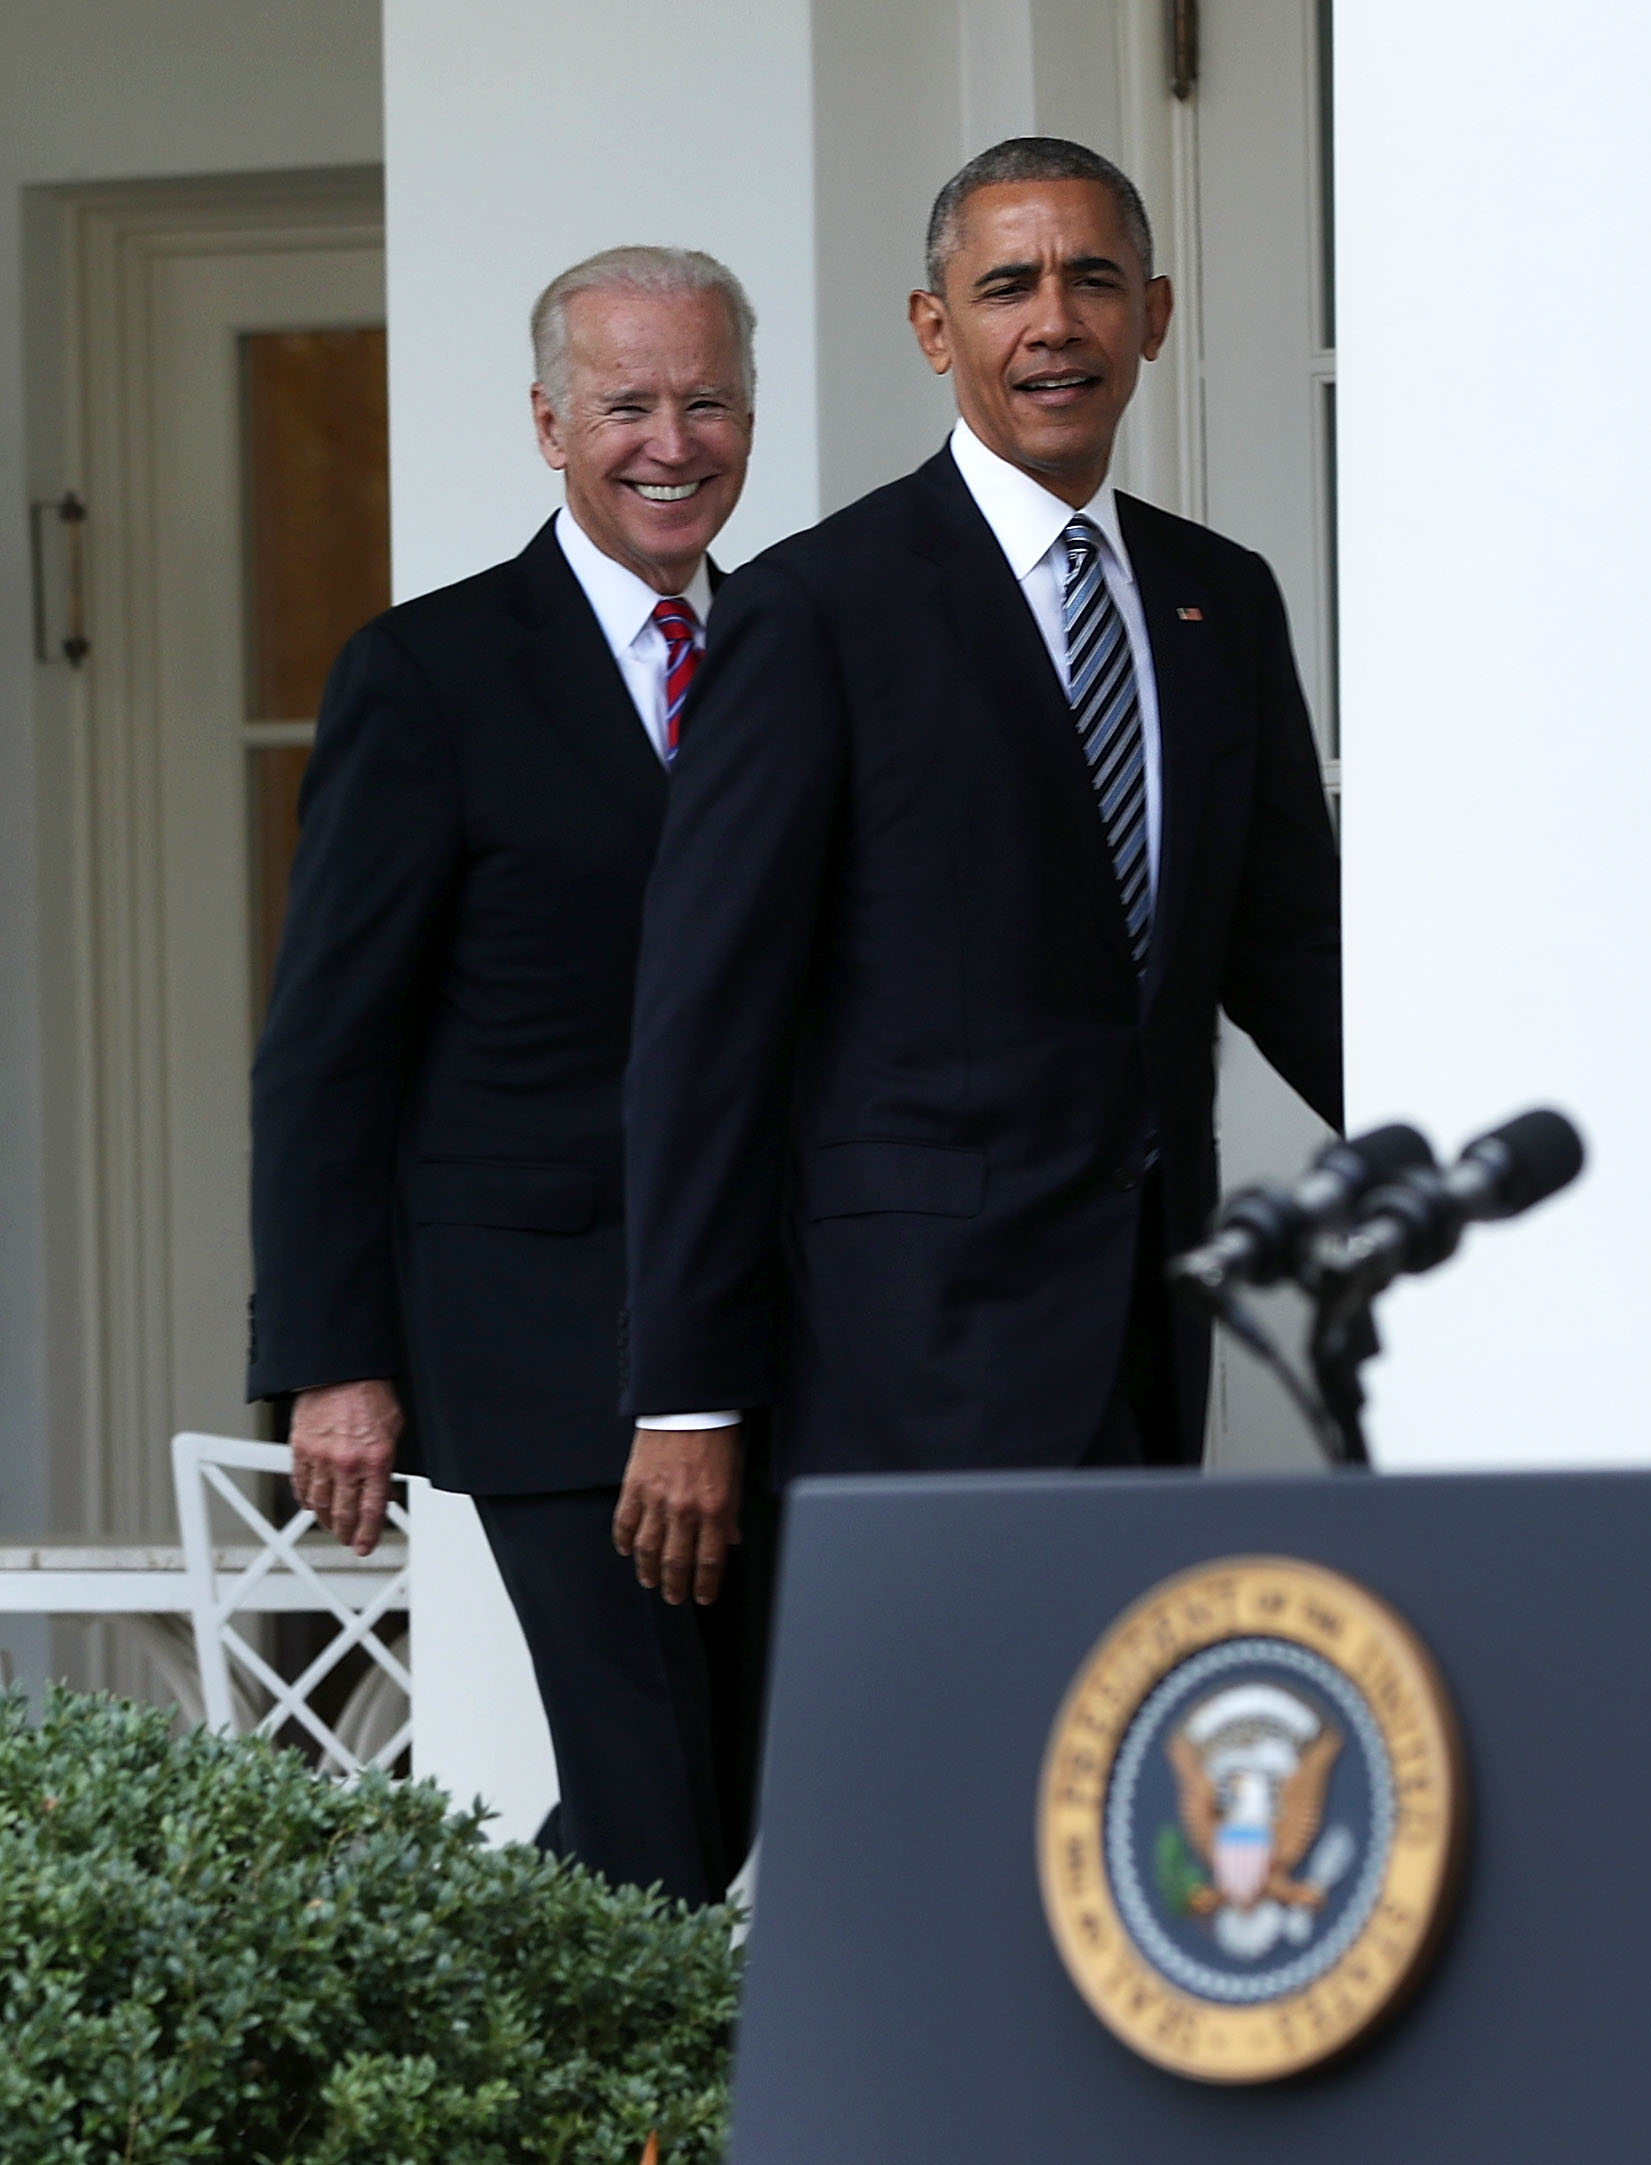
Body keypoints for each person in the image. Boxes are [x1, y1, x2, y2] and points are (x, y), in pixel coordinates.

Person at [619, 138, 1341, 1487]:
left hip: (1154, 1317)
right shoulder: (817, 609)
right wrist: (689, 1385)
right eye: (1009, 285)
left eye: (1096, 281)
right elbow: (706, 1018)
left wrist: (1503, 1144)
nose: (1056, 322)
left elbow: (1298, 955)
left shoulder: (1217, 600)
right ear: (935, 328)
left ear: (1156, 315)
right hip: (908, 1346)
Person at [249, 247, 770, 1908]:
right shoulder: (430, 673)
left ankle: (472, 2033)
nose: (668, 442)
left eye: (705, 402)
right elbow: (330, 1046)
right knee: (655, 1801)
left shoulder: (794, 649)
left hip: (765, 1330)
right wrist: (335, 1358)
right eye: (626, 404)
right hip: (543, 1343)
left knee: (710, 1798)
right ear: (549, 423)